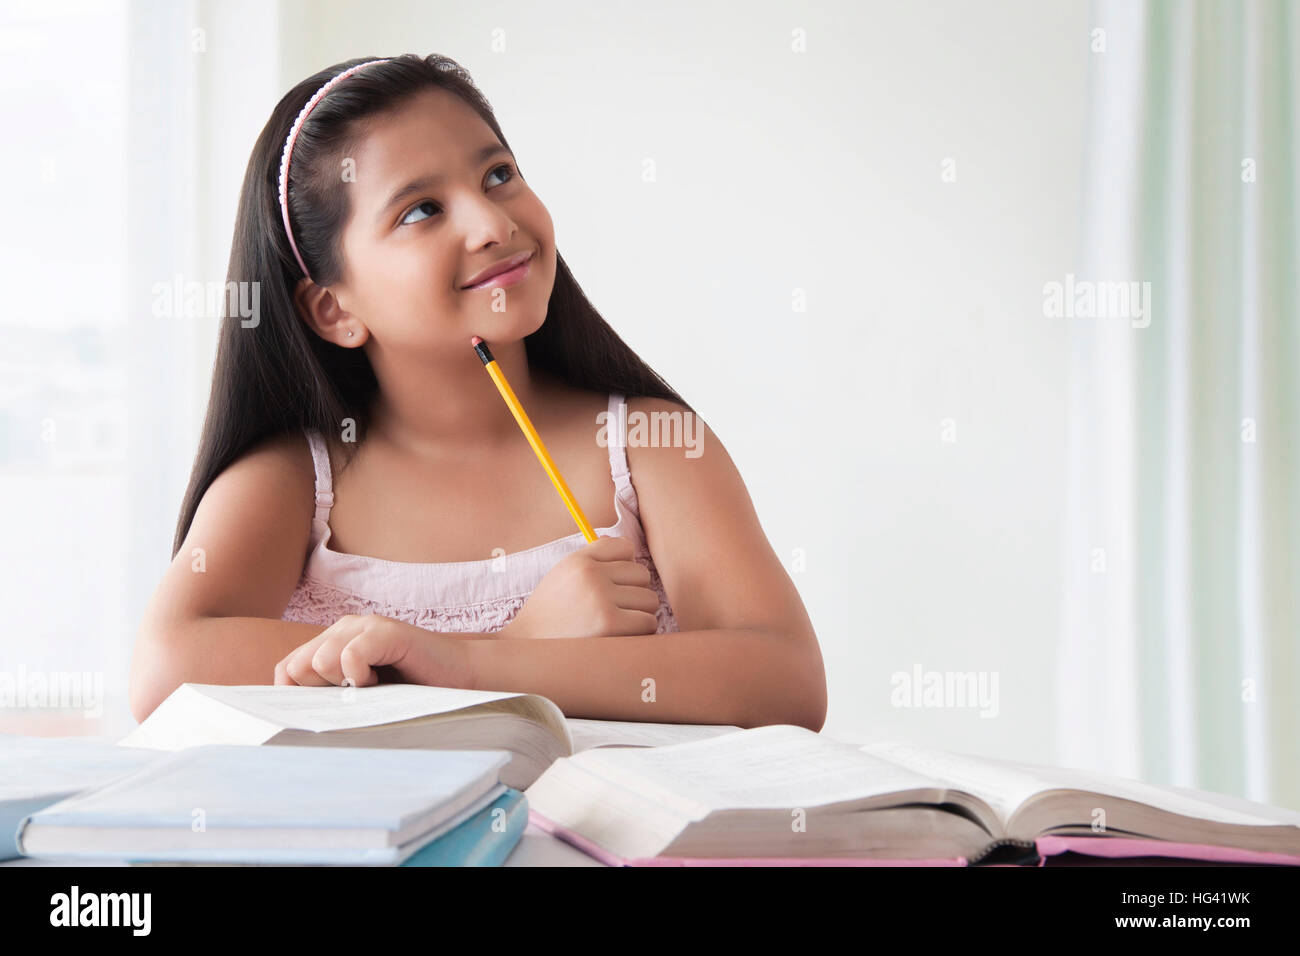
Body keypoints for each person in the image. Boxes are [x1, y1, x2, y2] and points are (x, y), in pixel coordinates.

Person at [129, 54, 826, 732]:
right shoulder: (297, 480)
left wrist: (466, 663)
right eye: (421, 210)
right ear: (334, 309)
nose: (493, 224)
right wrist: (511, 650)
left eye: (497, 175)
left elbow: (786, 679)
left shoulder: (649, 447)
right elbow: (165, 672)